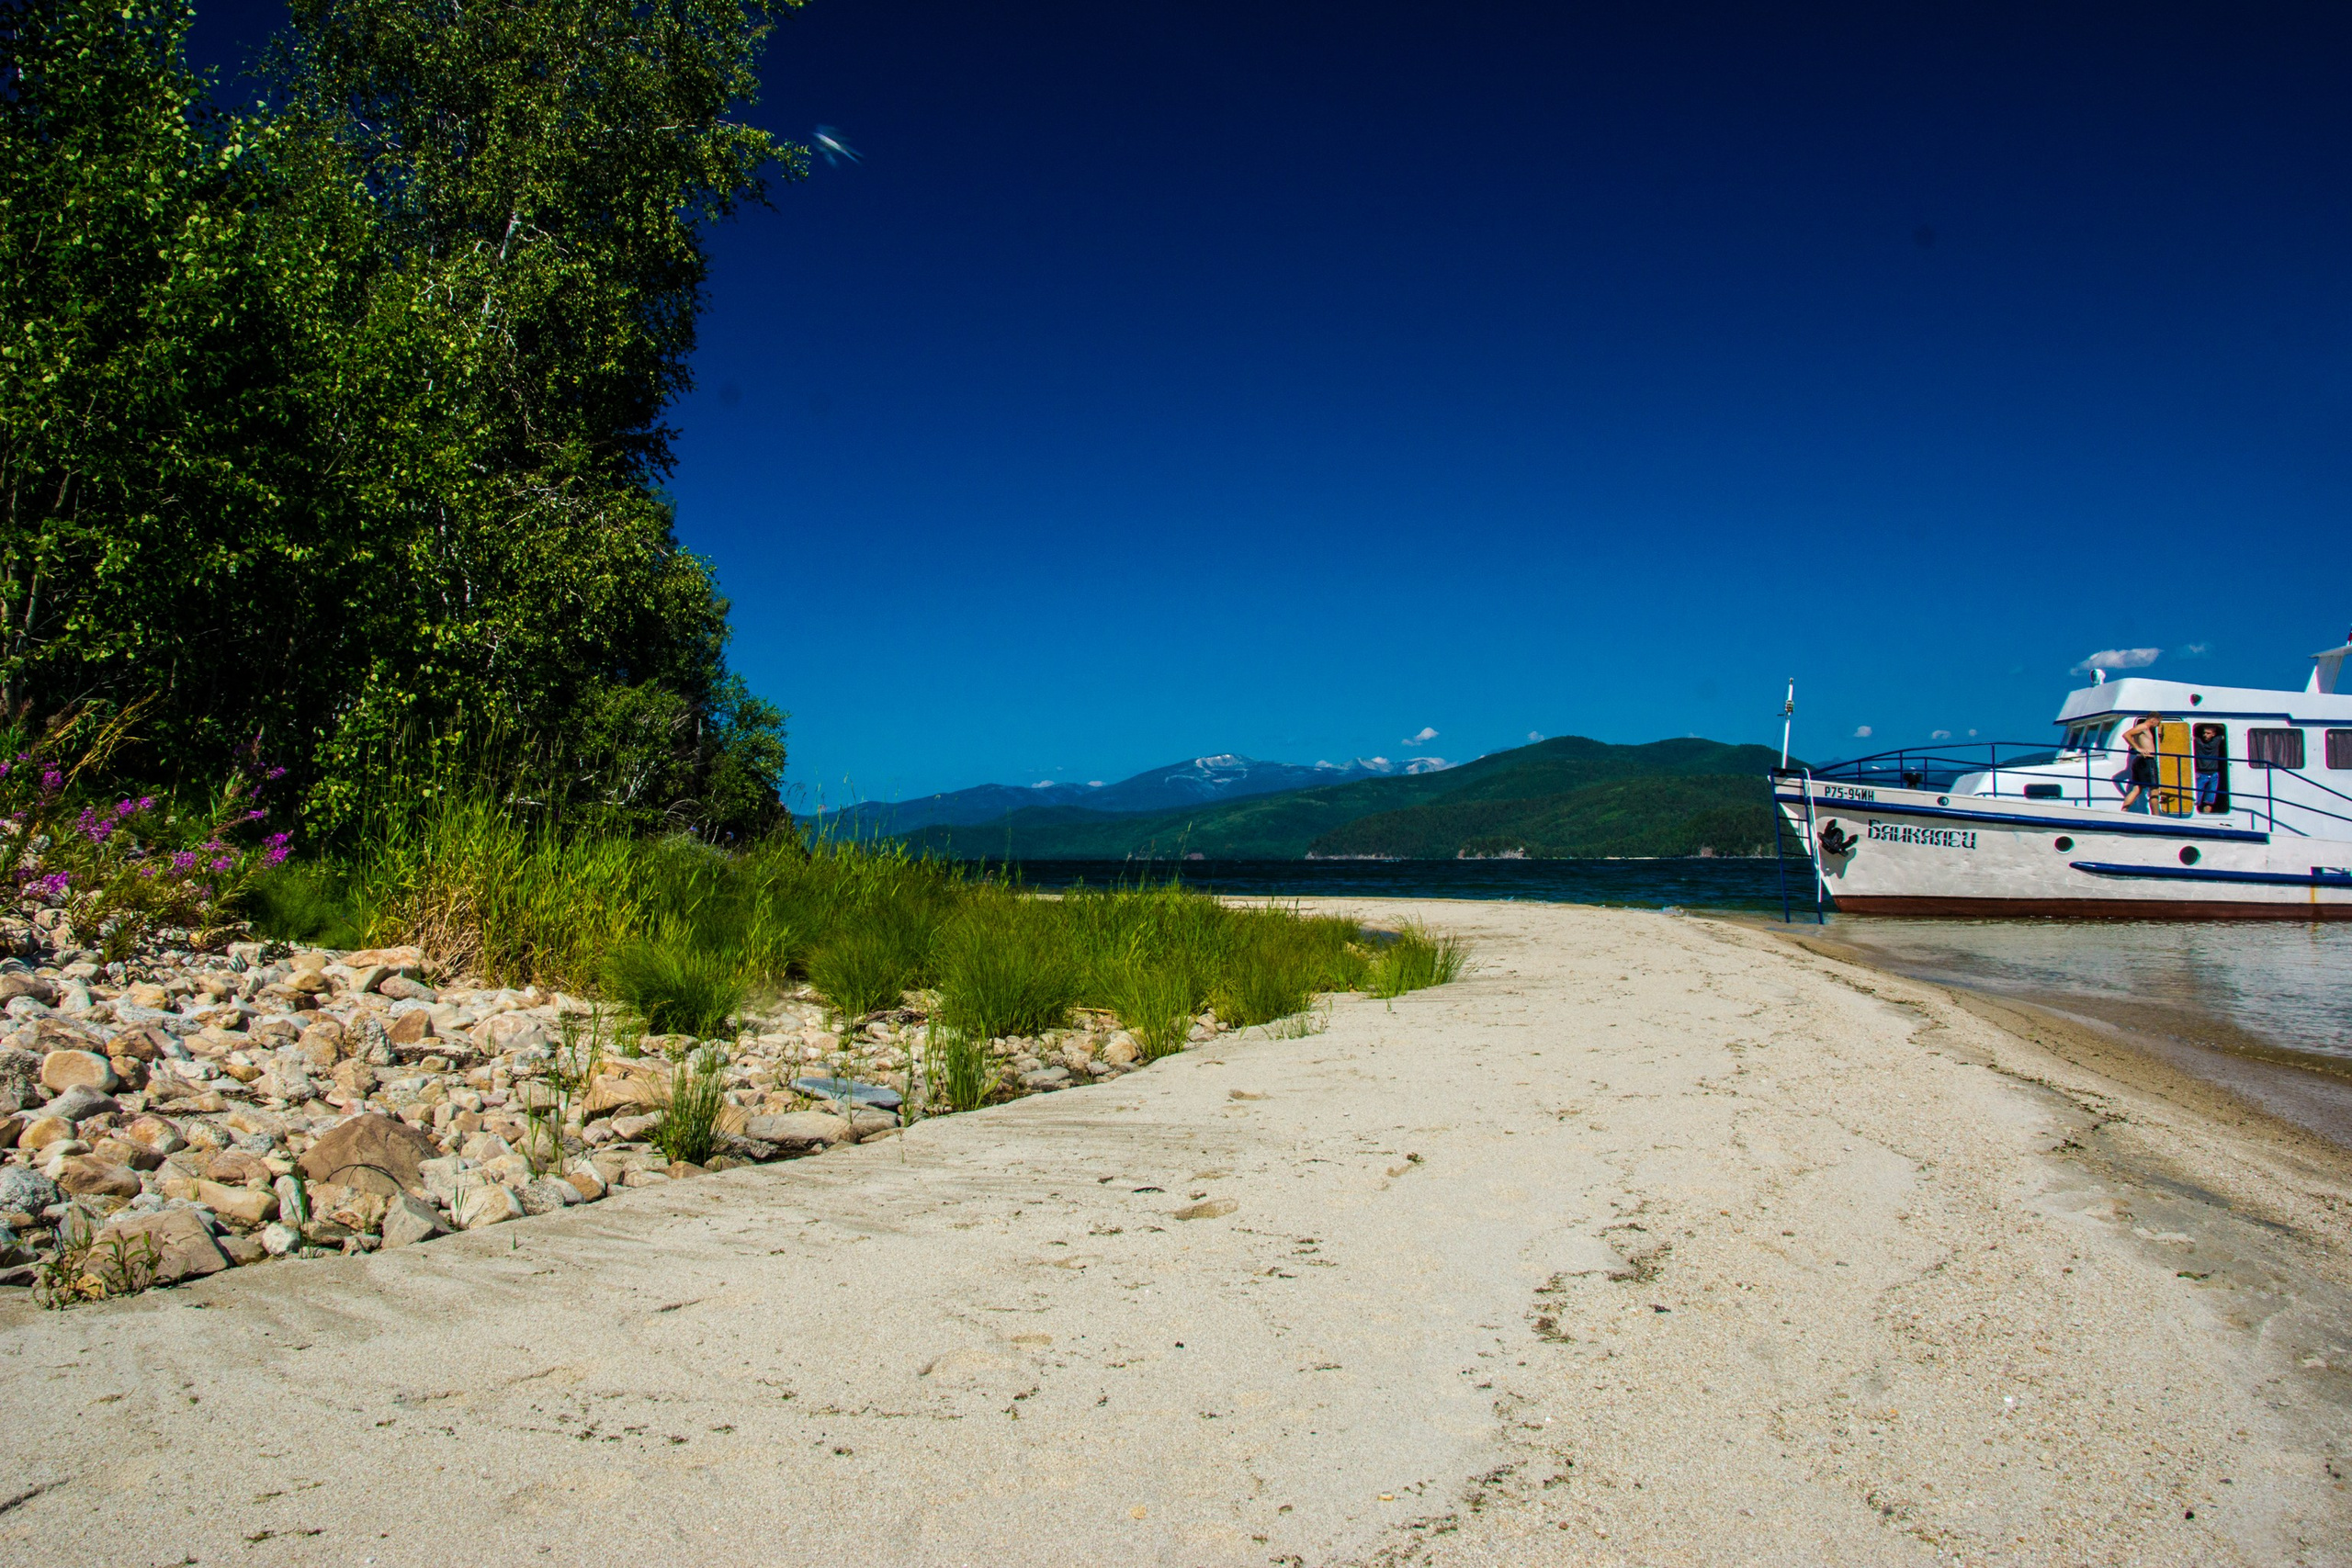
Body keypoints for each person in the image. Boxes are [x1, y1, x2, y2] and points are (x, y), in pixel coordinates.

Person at [2115, 713, 2161, 812]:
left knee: (2137, 789)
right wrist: (2138, 748)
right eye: (2158, 722)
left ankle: (2124, 811)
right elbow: (2126, 735)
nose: (2158, 725)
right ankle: (2156, 817)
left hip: (2141, 761)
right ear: (2153, 719)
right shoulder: (2143, 727)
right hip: (2147, 761)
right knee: (2154, 790)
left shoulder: (2145, 729)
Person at [2193, 722, 2227, 812]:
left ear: (2213, 734)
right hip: (2200, 773)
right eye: (2204, 733)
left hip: (2213, 774)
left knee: (2209, 801)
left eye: (2208, 733)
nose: (2205, 735)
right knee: (2196, 799)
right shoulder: (2197, 741)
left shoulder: (2217, 740)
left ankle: (2206, 815)